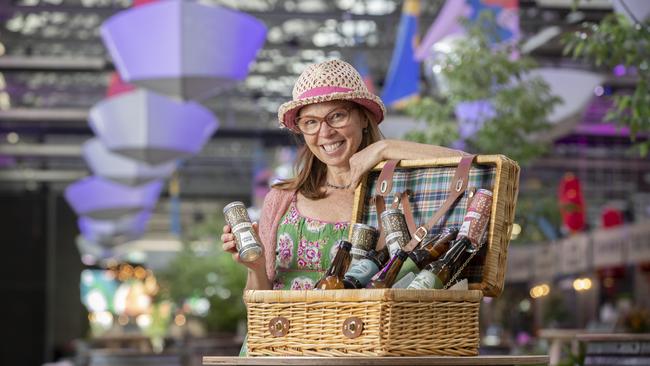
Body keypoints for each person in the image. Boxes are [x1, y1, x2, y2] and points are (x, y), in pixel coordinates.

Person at [221, 58, 464, 292]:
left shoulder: (393, 197)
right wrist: (254, 267)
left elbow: (473, 167)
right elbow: (258, 303)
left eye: (337, 116)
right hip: (286, 333)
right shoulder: (281, 198)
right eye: (310, 122)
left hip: (361, 332)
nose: (325, 132)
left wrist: (385, 148)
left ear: (364, 119)